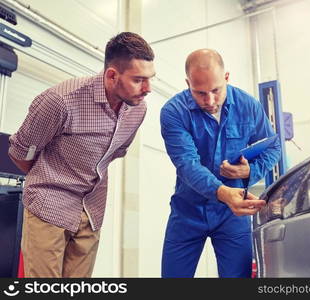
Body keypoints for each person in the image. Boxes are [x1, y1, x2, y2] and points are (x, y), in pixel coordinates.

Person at [8, 32, 155, 278]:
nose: (147, 89)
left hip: (91, 210)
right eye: (139, 80)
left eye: (150, 79)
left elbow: (116, 153)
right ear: (112, 75)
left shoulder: (137, 110)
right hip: (49, 206)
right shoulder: (61, 100)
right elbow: (20, 152)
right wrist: (50, 180)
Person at [160, 49, 281, 278]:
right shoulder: (173, 112)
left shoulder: (249, 106)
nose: (210, 101)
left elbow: (273, 147)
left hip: (232, 216)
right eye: (200, 93)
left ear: (226, 77)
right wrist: (223, 192)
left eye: (216, 90)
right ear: (188, 83)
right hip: (187, 211)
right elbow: (187, 164)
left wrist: (250, 171)